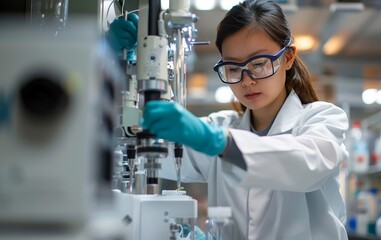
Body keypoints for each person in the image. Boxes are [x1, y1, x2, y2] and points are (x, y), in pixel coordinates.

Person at [108, 0, 349, 239]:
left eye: (258, 64)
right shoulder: (221, 126)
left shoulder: (323, 119)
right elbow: (143, 152)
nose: (247, 80)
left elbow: (306, 165)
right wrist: (108, 62)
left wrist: (220, 143)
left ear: (287, 58)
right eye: (233, 68)